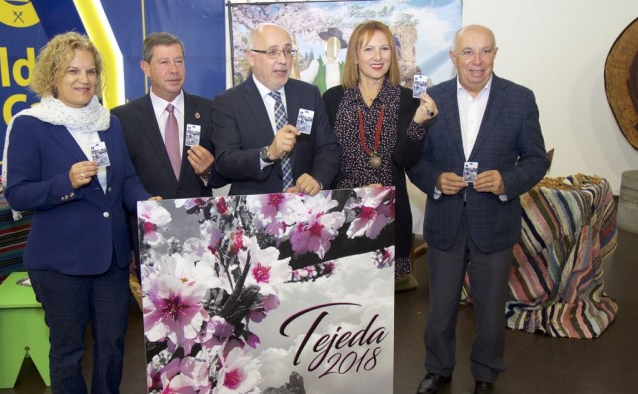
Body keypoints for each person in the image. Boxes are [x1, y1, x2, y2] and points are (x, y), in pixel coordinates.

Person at [3, 32, 159, 394]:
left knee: (113, 343)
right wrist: (65, 184)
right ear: (53, 75)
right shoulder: (31, 124)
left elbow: (125, 180)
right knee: (69, 350)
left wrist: (150, 204)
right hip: (59, 262)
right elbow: (16, 194)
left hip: (110, 255)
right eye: (73, 70)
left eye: (90, 71)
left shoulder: (109, 123)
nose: (84, 79)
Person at [408, 25, 549, 394]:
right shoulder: (430, 101)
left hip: (495, 220)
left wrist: (507, 179)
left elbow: (537, 160)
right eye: (468, 52)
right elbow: (414, 160)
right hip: (446, 220)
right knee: (440, 308)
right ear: (453, 58)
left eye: (485, 52)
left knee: (490, 310)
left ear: (495, 54)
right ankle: (438, 370)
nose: (476, 61)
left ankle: (486, 376)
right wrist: (435, 180)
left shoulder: (519, 100)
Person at [322, 20, 437, 289]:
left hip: (390, 212)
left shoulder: (409, 100)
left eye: (385, 48)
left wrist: (418, 123)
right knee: (342, 292)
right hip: (343, 211)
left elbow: (406, 160)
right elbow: (325, 156)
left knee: (385, 302)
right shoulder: (333, 99)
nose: (378, 57)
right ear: (355, 56)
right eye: (369, 49)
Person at [212, 22, 340, 196]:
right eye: (272, 52)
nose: (282, 60)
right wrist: (269, 153)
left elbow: (328, 148)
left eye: (288, 52)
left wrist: (317, 179)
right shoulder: (228, 102)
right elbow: (225, 162)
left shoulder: (309, 94)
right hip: (255, 210)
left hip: (306, 205)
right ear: (251, 57)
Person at [111, 32, 222, 199]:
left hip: (199, 220)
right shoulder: (123, 118)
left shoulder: (209, 110)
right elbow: (121, 178)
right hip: (149, 220)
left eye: (179, 61)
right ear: (146, 68)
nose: (174, 70)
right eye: (164, 62)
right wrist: (143, 200)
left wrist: (208, 171)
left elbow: (226, 172)